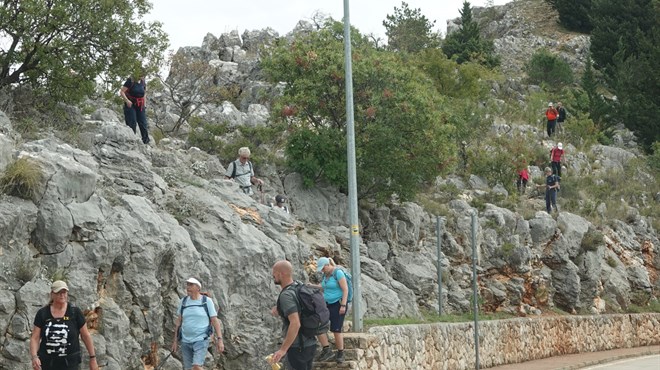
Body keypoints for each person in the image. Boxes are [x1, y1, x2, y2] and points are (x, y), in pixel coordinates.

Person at [29, 280, 99, 370]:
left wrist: (93, 358)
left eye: (64, 292)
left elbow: (85, 336)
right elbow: (35, 337)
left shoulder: (75, 312)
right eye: (58, 292)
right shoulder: (42, 313)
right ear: (52, 294)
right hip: (47, 363)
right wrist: (34, 357)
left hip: (70, 364)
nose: (62, 295)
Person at [270, 261, 317, 370]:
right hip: (310, 343)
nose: (273, 275)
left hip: (297, 347)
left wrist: (283, 349)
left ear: (281, 274)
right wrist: (280, 309)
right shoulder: (298, 286)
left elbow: (295, 323)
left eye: (274, 273)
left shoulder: (286, 295)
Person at [172, 278, 224, 370]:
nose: (188, 287)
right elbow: (178, 322)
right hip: (185, 341)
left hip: (201, 340)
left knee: (196, 366)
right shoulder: (183, 302)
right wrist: (175, 341)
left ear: (198, 287)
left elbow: (215, 321)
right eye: (187, 285)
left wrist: (220, 340)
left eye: (191, 285)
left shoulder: (206, 301)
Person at [315, 257, 348, 363]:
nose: (322, 271)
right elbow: (324, 287)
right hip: (326, 304)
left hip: (338, 304)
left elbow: (345, 289)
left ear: (327, 265)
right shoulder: (326, 275)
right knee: (318, 325)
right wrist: (312, 286)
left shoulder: (338, 273)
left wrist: (343, 305)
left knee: (336, 329)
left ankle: (340, 353)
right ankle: (326, 350)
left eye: (322, 268)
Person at [119, 70, 150, 144]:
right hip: (130, 104)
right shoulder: (130, 81)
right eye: (141, 75)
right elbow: (122, 91)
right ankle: (131, 140)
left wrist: (144, 104)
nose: (142, 76)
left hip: (140, 104)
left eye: (143, 75)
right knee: (132, 122)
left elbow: (144, 93)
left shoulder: (143, 82)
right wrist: (127, 101)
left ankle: (146, 141)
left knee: (143, 123)